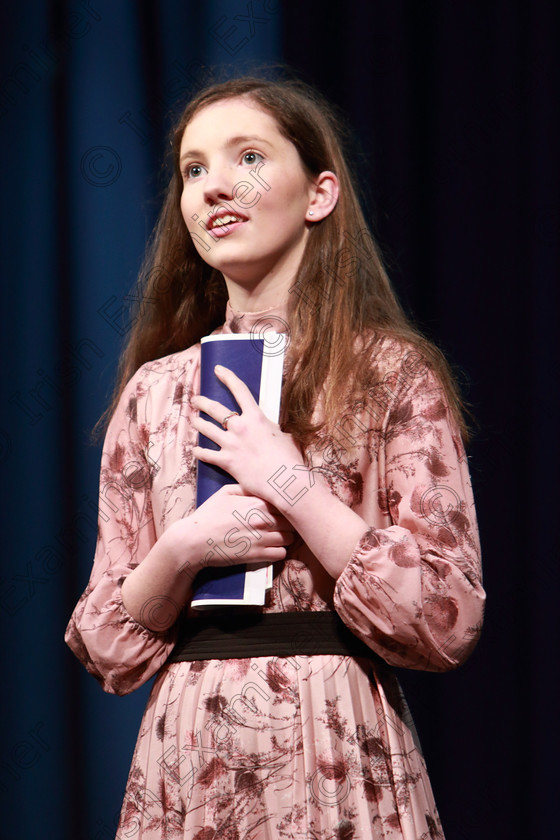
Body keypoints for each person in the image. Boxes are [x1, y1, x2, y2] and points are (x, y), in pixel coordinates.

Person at [65, 75, 485, 840]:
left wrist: (288, 481)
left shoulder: (389, 375)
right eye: (193, 170)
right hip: (189, 754)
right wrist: (187, 547)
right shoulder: (154, 394)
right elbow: (105, 643)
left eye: (248, 157)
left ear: (319, 194)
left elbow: (443, 617)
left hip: (336, 740)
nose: (214, 186)